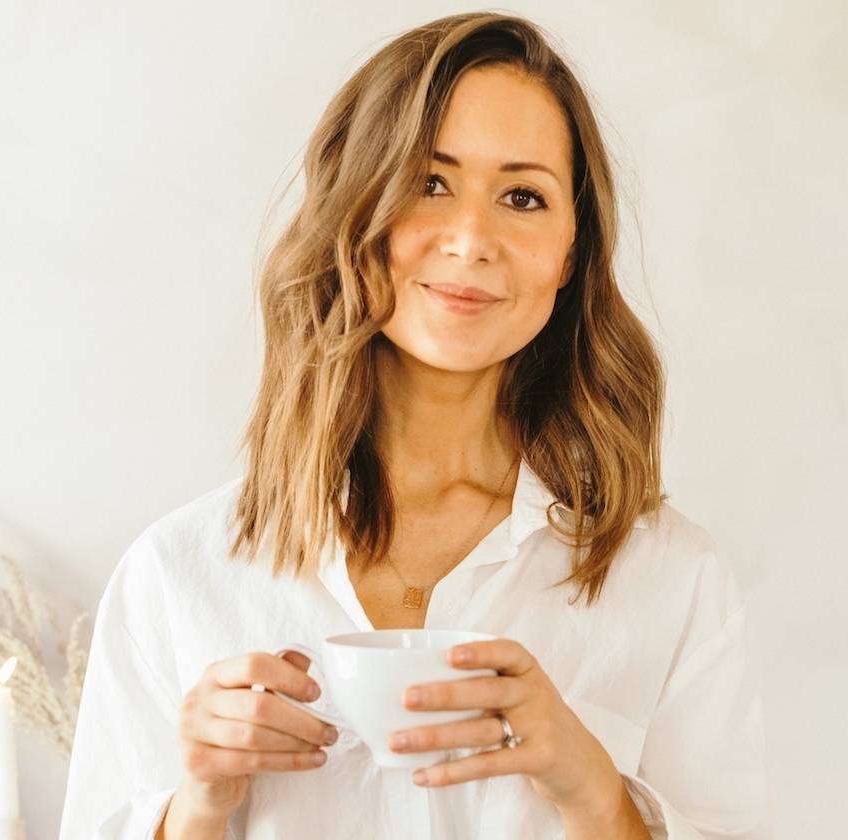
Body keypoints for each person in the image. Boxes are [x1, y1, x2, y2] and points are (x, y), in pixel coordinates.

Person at [59, 11, 771, 840]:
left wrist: (594, 794)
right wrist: (197, 807)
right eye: (430, 183)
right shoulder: (180, 574)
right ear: (353, 211)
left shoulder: (668, 579)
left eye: (522, 197)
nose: (471, 241)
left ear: (570, 255)